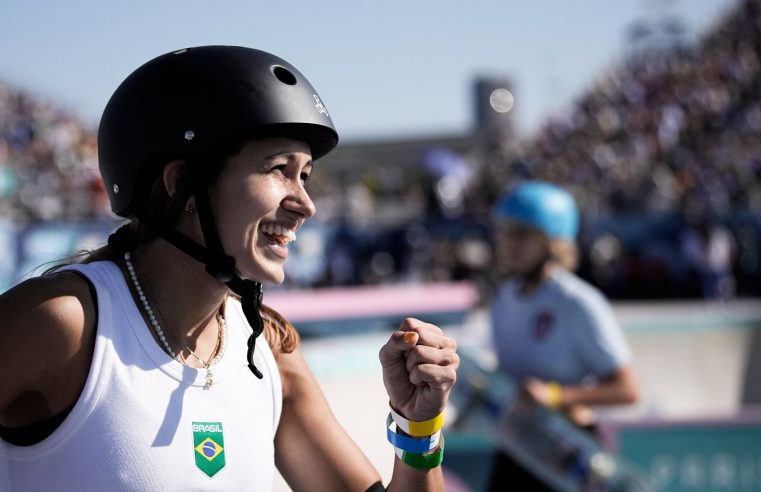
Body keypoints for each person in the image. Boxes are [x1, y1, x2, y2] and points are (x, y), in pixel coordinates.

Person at [0, 46, 458, 491]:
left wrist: (417, 425)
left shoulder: (270, 353)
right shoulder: (64, 323)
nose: (306, 205)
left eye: (306, 176)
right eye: (279, 169)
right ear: (182, 185)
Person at [487, 181, 639, 490]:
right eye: (504, 231)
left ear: (552, 243)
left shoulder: (578, 301)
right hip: (518, 447)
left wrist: (555, 396)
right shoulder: (504, 298)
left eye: (522, 233)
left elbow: (628, 389)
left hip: (570, 453)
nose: (508, 242)